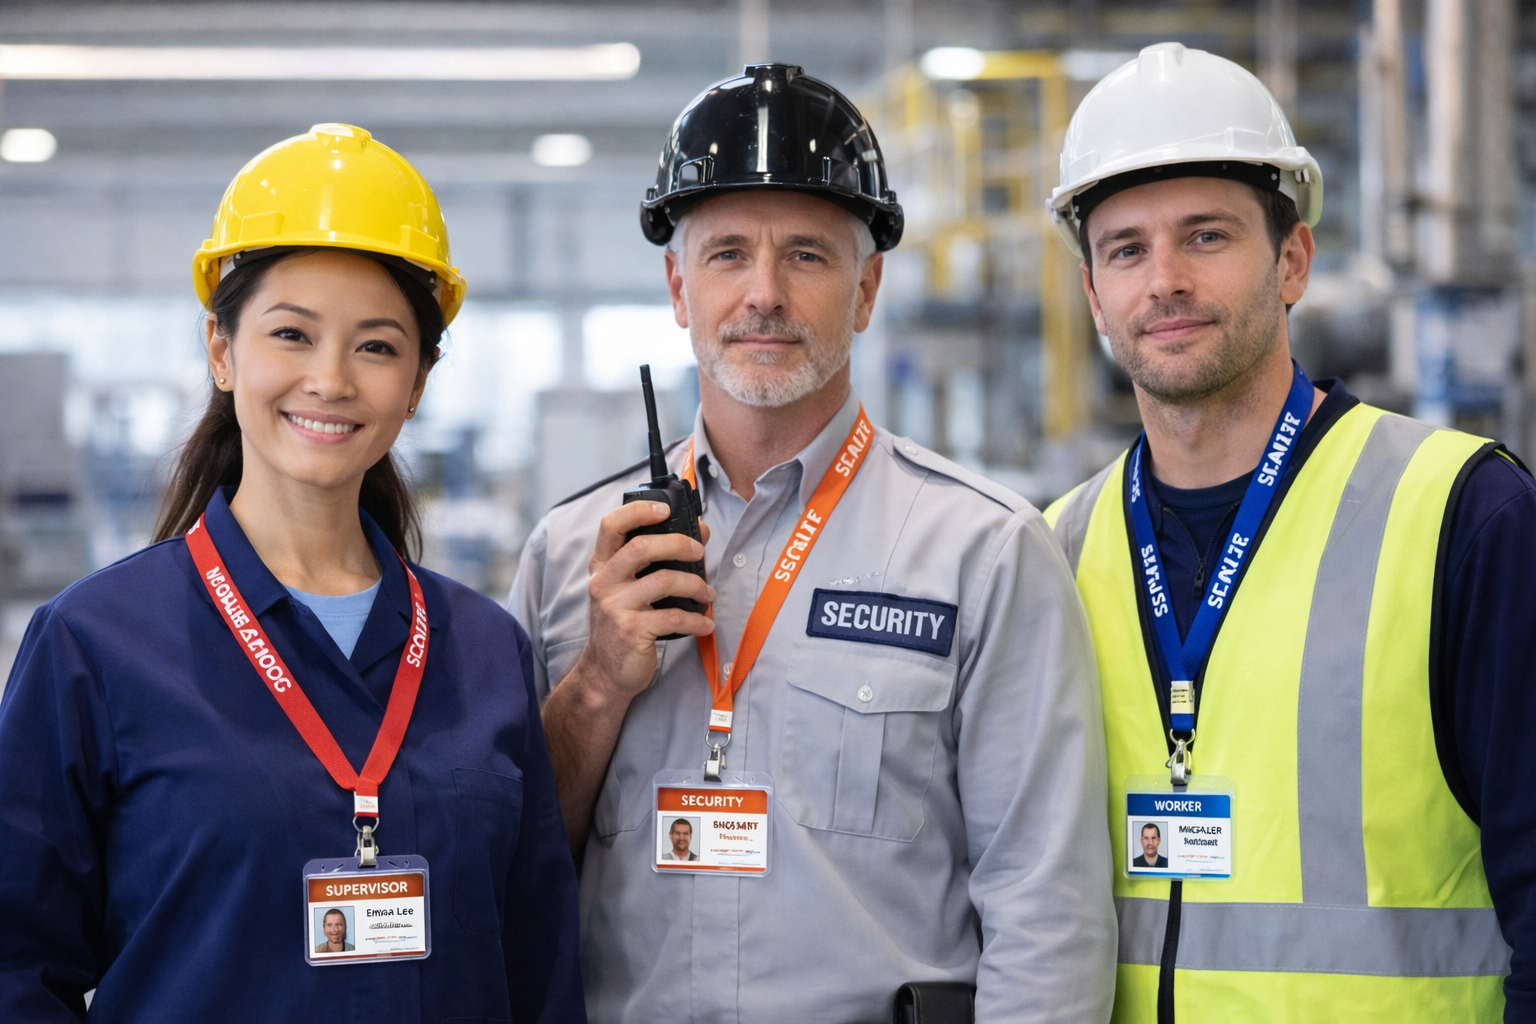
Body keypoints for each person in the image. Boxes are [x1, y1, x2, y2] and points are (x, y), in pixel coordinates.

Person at [511, 64, 1116, 1024]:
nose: (764, 294)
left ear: (866, 289)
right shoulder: (570, 555)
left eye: (806, 256)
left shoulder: (983, 554)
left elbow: (1048, 913)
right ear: (677, 286)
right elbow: (512, 875)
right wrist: (593, 687)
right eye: (727, 255)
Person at [0, 124, 583, 1023]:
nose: (330, 379)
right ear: (221, 350)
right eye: (291, 334)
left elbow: (539, 969)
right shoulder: (96, 645)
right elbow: (16, 968)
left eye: (376, 346)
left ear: (419, 381)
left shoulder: (482, 651)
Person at [1043, 43, 1529, 1023]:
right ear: (1094, 296)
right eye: (1126, 249)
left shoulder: (1461, 514)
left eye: (1207, 236)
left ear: (1293, 260)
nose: (1164, 280)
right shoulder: (1055, 550)